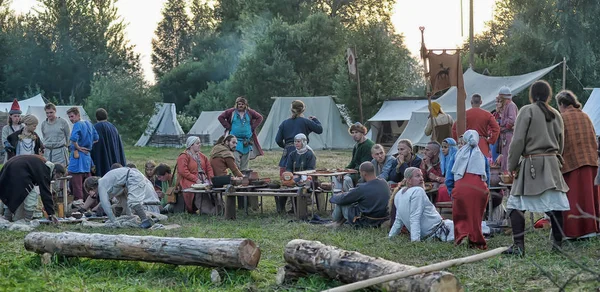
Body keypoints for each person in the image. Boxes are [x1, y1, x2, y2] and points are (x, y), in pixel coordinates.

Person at [504, 80, 570, 256]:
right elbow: (561, 142)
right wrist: (556, 159)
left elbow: (517, 141)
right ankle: (557, 246)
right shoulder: (556, 113)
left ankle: (519, 247)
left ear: (532, 95)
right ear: (548, 95)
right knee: (555, 206)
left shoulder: (527, 110)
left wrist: (512, 165)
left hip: (531, 164)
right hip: (552, 164)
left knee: (515, 205)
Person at [556, 90, 599, 239]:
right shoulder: (585, 116)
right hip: (591, 161)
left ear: (562, 104)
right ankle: (592, 230)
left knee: (574, 198)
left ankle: (575, 232)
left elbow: (559, 142)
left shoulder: (562, 118)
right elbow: (594, 138)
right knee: (589, 197)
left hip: (572, 163)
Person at [448, 130, 490, 249]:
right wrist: (487, 191)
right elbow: (486, 175)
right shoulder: (481, 156)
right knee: (475, 216)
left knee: (460, 214)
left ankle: (462, 236)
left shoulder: (457, 155)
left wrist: (452, 191)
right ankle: (476, 240)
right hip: (479, 190)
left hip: (461, 188)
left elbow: (449, 177)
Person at [388, 167, 453, 241]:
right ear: (409, 180)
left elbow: (398, 221)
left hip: (434, 231)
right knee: (462, 228)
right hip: (438, 232)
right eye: (417, 176)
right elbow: (414, 218)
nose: (421, 179)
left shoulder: (399, 194)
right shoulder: (418, 191)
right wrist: (415, 241)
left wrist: (390, 237)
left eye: (421, 175)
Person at [84, 167, 161, 229]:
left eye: (89, 191)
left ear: (91, 187)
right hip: (128, 180)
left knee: (133, 202)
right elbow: (122, 200)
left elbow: (106, 205)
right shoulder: (107, 182)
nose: (91, 194)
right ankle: (131, 218)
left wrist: (114, 221)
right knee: (123, 201)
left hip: (133, 178)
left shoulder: (102, 185)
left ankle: (145, 221)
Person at [0, 155, 63, 223]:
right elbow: (45, 193)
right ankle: (27, 220)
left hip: (8, 168)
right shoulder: (45, 170)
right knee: (30, 196)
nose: (55, 179)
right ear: (55, 171)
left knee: (10, 195)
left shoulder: (42, 164)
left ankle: (7, 218)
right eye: (57, 176)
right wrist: (51, 214)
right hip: (18, 171)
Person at [328, 162, 390, 227]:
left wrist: (334, 197)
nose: (360, 175)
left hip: (367, 221)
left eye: (360, 173)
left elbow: (344, 199)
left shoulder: (363, 188)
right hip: (382, 219)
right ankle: (337, 223)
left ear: (364, 173)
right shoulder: (384, 183)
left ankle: (334, 221)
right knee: (348, 201)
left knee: (341, 202)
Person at [275, 100, 323, 176]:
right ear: (303, 110)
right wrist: (315, 120)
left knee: (287, 177)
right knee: (303, 176)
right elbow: (319, 130)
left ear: (291, 110)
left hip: (288, 151)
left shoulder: (284, 123)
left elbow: (278, 140)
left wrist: (286, 146)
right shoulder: (306, 121)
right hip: (302, 152)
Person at [218, 97, 264, 171]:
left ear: (245, 105)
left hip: (246, 140)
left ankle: (244, 175)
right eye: (239, 104)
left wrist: (252, 127)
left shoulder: (250, 112)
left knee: (245, 158)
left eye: (242, 104)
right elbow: (221, 117)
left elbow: (260, 117)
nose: (240, 105)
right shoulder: (231, 112)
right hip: (234, 140)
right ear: (236, 104)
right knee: (235, 158)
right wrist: (228, 127)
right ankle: (237, 174)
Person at [452, 94, 500, 158]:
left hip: (467, 143)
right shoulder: (487, 114)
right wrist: (491, 141)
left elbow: (454, 128)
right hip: (482, 143)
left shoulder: (464, 114)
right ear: (481, 102)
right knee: (483, 165)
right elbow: (496, 128)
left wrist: (459, 141)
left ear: (471, 102)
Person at [178, 136, 215, 215]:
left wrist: (211, 178)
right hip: (189, 180)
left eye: (199, 143)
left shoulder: (202, 156)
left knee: (213, 189)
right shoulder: (184, 156)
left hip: (203, 179)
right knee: (198, 191)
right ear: (191, 145)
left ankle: (218, 207)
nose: (200, 145)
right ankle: (208, 210)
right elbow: (183, 171)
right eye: (197, 143)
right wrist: (195, 179)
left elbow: (209, 168)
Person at [333, 122, 374, 191]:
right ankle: (338, 198)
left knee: (346, 179)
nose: (354, 135)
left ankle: (351, 199)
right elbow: (353, 162)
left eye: (356, 132)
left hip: (363, 173)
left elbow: (364, 165)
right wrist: (344, 170)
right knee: (336, 175)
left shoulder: (368, 145)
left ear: (362, 132)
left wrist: (348, 172)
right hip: (354, 171)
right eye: (352, 132)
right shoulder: (356, 145)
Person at [90, 108, 126, 177]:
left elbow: (93, 146)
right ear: (107, 116)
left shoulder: (95, 128)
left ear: (96, 117)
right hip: (114, 160)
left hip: (101, 161)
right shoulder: (113, 127)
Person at [498, 86, 518, 172]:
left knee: (507, 156)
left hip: (509, 135)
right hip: (505, 135)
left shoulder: (511, 105)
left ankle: (508, 175)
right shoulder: (506, 106)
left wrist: (502, 125)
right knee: (505, 156)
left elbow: (512, 120)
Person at [437, 138, 458, 202]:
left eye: (445, 147)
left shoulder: (455, 159)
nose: (443, 149)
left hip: (454, 184)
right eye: (442, 147)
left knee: (442, 190)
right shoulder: (443, 160)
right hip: (446, 183)